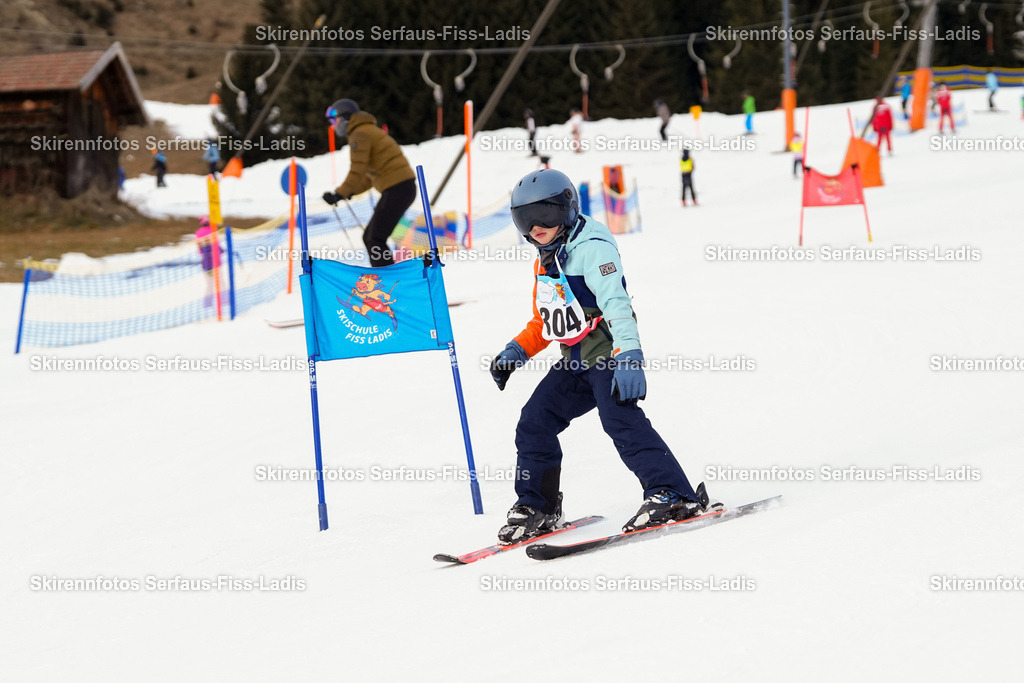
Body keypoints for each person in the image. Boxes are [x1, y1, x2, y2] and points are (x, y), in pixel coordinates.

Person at [489, 168, 711, 544]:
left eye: (544, 214)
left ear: (567, 209)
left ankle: (672, 494)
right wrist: (518, 349)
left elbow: (616, 304)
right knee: (534, 422)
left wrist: (629, 357)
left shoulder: (592, 248)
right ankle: (538, 506)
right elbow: (547, 318)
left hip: (608, 355)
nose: (536, 227)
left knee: (619, 420)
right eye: (525, 219)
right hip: (575, 360)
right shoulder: (546, 257)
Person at [321, 99, 416, 268]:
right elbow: (367, 178)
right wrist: (347, 193)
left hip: (398, 188)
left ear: (344, 119)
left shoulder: (359, 134)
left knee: (374, 238)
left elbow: (357, 169)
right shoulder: (366, 130)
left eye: (334, 121)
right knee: (370, 237)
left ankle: (387, 279)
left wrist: (340, 193)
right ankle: (387, 275)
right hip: (400, 188)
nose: (333, 127)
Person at [194, 215, 224, 308]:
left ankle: (207, 304)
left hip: (206, 263)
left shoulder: (198, 233)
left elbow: (200, 251)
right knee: (221, 283)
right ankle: (225, 301)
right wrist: (221, 250)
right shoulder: (213, 231)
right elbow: (216, 247)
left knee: (209, 284)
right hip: (216, 262)